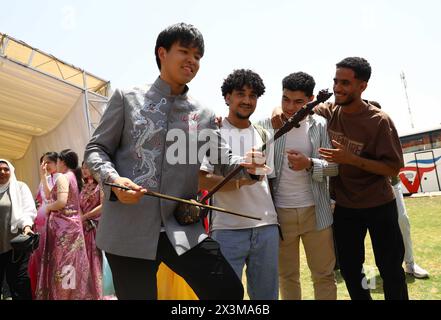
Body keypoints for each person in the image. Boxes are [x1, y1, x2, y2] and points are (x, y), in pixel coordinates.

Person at [84, 22, 266, 300]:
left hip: (181, 227)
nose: (192, 61)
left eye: (197, 56)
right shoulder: (126, 98)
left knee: (227, 291)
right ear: (162, 53)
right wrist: (114, 181)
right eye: (184, 52)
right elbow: (96, 149)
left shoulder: (203, 114)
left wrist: (249, 166)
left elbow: (225, 163)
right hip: (127, 230)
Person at [315, 57, 408, 300]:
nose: (337, 88)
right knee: (350, 269)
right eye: (336, 81)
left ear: (362, 86)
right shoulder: (330, 112)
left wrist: (351, 159)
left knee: (390, 269)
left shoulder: (379, 121)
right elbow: (300, 107)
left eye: (345, 83)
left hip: (379, 205)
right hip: (346, 207)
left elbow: (393, 168)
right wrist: (275, 111)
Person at [199, 69, 279, 300]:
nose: (247, 100)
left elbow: (268, 180)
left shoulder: (264, 135)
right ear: (227, 97)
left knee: (266, 297)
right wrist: (242, 181)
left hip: (266, 227)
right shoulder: (212, 132)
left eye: (253, 95)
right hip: (227, 229)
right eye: (240, 94)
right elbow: (202, 178)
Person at [261, 72, 338, 300]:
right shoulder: (267, 125)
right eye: (285, 99)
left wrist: (309, 164)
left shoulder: (320, 125)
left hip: (316, 212)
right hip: (280, 214)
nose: (290, 107)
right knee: (287, 276)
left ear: (311, 99)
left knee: (324, 275)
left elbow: (334, 168)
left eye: (298, 102)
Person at [368, 100, 429, 279]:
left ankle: (410, 264)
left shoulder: (386, 130)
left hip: (392, 185)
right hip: (369, 191)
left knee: (403, 221)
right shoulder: (361, 134)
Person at [35, 149, 93, 300]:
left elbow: (60, 202)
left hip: (65, 229)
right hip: (69, 228)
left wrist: (47, 208)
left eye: (52, 162)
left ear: (61, 162)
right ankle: (72, 295)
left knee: (65, 265)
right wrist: (43, 176)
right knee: (70, 264)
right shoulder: (71, 176)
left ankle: (66, 296)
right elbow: (48, 195)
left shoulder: (63, 178)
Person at [0, 159, 36, 300]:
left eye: (6, 169)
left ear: (11, 171)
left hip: (16, 246)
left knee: (19, 284)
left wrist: (27, 226)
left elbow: (28, 210)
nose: (2, 172)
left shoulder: (20, 187)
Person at [28, 152, 60, 297]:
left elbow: (50, 197)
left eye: (48, 162)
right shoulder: (43, 180)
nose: (45, 166)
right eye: (43, 163)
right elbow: (39, 199)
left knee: (53, 258)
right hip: (40, 223)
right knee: (40, 257)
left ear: (56, 163)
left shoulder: (60, 178)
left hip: (55, 223)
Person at [79, 161, 103, 299]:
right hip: (83, 227)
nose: (84, 170)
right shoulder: (82, 186)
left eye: (87, 167)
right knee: (85, 259)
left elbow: (103, 206)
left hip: (97, 226)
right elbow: (78, 205)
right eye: (83, 168)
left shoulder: (100, 185)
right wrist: (82, 218)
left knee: (96, 259)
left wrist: (86, 217)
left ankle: (100, 292)